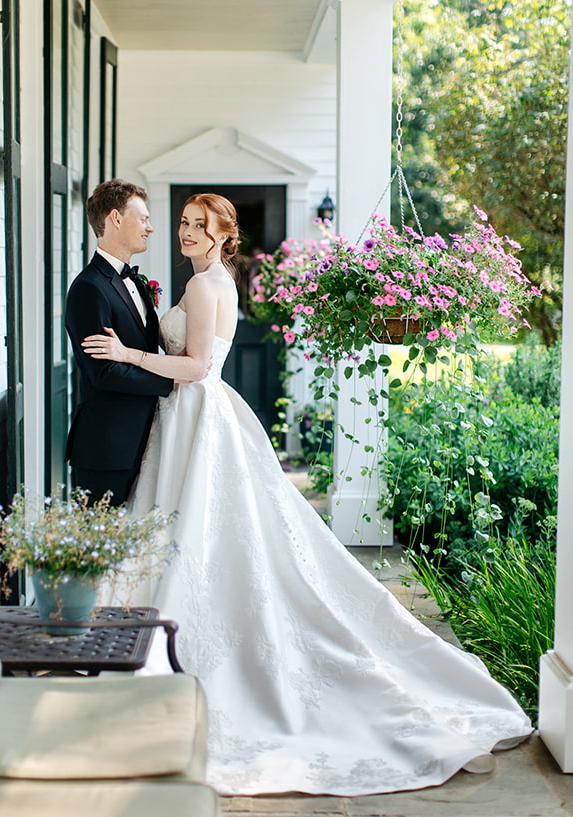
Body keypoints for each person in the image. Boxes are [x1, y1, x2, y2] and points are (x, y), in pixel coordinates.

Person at [81, 192, 532, 796]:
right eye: (184, 223)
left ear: (221, 235)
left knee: (203, 529)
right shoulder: (198, 282)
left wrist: (129, 351)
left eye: (199, 226)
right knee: (182, 527)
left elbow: (194, 368)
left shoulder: (208, 286)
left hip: (197, 414)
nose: (186, 232)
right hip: (181, 420)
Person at [63, 179, 174, 506]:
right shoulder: (88, 289)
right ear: (115, 218)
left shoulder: (136, 282)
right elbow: (105, 373)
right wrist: (170, 380)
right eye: (143, 219)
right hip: (107, 450)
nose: (150, 228)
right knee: (102, 551)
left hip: (148, 441)